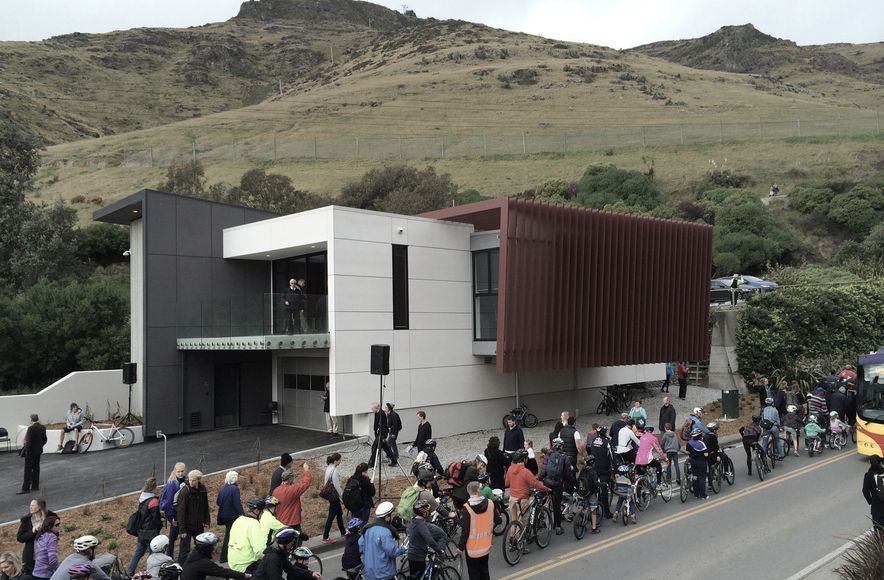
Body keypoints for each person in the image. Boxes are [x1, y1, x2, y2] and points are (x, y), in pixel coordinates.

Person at [504, 449, 549, 536]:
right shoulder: (526, 472)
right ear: (525, 459)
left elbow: (507, 483)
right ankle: (520, 543)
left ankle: (512, 540)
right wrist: (547, 489)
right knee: (522, 521)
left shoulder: (510, 469)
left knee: (514, 520)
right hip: (522, 499)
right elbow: (536, 484)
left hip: (512, 498)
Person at [357, 502, 405, 580]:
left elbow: (360, 546)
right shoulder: (386, 532)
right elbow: (392, 552)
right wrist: (402, 549)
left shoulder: (368, 529)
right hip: (383, 573)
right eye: (392, 514)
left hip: (369, 573)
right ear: (387, 517)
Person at [458, 482, 493, 580]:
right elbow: (498, 520)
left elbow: (465, 531)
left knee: (474, 574)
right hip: (486, 546)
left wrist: (460, 547)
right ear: (478, 490)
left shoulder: (467, 508)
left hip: (472, 550)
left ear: (468, 492)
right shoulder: (490, 503)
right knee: (485, 571)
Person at [127, 478, 163, 575]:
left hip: (142, 531)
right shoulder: (153, 501)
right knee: (153, 555)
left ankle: (129, 572)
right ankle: (151, 573)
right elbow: (156, 519)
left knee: (138, 553)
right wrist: (160, 524)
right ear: (154, 488)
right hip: (151, 532)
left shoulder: (142, 498)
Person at [538, 438, 573, 535]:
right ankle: (558, 527)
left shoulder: (548, 454)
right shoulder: (565, 457)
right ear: (561, 446)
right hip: (557, 484)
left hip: (547, 482)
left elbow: (544, 470)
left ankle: (539, 519)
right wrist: (565, 481)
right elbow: (567, 473)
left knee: (542, 502)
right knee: (557, 506)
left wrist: (538, 479)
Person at [176, 470, 211, 565]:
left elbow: (205, 506)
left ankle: (201, 566)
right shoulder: (185, 491)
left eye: (194, 480)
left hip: (198, 525)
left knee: (202, 547)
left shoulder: (202, 489)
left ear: (198, 480)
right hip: (187, 526)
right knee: (184, 550)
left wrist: (206, 520)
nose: (191, 482)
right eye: (190, 480)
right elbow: (181, 512)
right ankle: (181, 570)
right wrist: (182, 530)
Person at [252, 529, 316, 580]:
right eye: (292, 542)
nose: (292, 546)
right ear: (286, 542)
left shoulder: (279, 553)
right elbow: (275, 578)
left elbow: (291, 569)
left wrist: (311, 574)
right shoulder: (273, 558)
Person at [406, 500, 447, 579]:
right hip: (419, 557)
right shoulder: (421, 525)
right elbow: (430, 541)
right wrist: (439, 551)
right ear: (423, 512)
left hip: (411, 555)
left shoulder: (413, 521)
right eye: (427, 510)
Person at [181, 533, 248, 580]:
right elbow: (222, 572)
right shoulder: (202, 562)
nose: (213, 549)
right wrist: (244, 575)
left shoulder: (193, 556)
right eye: (212, 546)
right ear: (207, 548)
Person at [17, 499, 56, 574]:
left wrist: (46, 528)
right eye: (30, 505)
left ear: (40, 507)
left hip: (46, 555)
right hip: (31, 557)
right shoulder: (26, 520)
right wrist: (32, 532)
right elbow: (20, 538)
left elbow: (56, 533)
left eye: (33, 505)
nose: (30, 507)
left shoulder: (50, 518)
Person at [227, 498, 266, 573]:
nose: (262, 515)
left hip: (233, 563)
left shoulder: (238, 520)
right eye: (262, 512)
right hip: (246, 565)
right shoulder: (254, 523)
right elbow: (259, 550)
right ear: (257, 511)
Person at [272, 465, 312, 536]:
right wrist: (306, 471)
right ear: (290, 478)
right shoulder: (293, 490)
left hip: (281, 522)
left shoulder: (275, 491)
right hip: (293, 522)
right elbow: (305, 484)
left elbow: (274, 505)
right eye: (293, 477)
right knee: (297, 542)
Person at [160, 463, 187, 559]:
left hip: (181, 514)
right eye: (178, 471)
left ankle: (173, 556)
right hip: (175, 516)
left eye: (182, 471)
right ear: (175, 471)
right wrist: (171, 518)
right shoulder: (172, 484)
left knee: (173, 537)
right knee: (174, 538)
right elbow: (168, 503)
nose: (180, 473)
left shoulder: (184, 480)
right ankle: (172, 557)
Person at [216, 471, 244, 564]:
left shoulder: (223, 488)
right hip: (232, 515)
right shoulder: (234, 489)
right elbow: (237, 503)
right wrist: (242, 514)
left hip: (224, 515)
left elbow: (218, 502)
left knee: (229, 534)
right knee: (230, 535)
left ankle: (225, 556)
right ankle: (225, 556)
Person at [588, 427, 614, 520]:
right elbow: (612, 456)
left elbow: (590, 451)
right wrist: (615, 469)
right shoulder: (607, 442)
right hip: (604, 469)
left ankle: (596, 507)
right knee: (604, 490)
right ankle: (606, 512)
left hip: (594, 468)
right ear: (605, 433)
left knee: (595, 488)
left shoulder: (594, 440)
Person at [19, 414, 47, 495]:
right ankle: (35, 486)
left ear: (31, 420)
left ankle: (26, 488)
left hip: (31, 452)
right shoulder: (42, 427)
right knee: (36, 468)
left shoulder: (31, 428)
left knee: (27, 469)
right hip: (38, 451)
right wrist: (40, 446)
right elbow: (45, 439)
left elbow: (28, 441)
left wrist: (27, 450)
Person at [321, 453, 346, 544]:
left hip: (330, 495)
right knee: (331, 516)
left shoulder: (328, 468)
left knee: (339, 514)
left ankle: (343, 532)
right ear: (335, 461)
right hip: (334, 496)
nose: (340, 462)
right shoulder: (334, 470)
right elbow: (337, 486)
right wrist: (342, 496)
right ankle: (325, 536)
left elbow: (325, 482)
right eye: (339, 460)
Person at [31, 515, 60, 580]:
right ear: (49, 527)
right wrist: (59, 571)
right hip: (45, 575)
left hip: (36, 573)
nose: (59, 527)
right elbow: (52, 559)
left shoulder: (41, 536)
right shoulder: (52, 537)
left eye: (59, 524)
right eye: (57, 525)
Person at [367, 403, 394, 469]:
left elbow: (383, 426)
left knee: (375, 448)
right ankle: (394, 460)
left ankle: (371, 463)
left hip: (381, 434)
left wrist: (381, 436)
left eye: (372, 408)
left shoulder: (381, 414)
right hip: (379, 434)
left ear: (376, 408)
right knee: (386, 448)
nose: (372, 410)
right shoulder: (377, 413)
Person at [861, 455, 884, 531]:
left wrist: (871, 501)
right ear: (880, 463)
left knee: (879, 530)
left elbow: (865, 491)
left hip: (877, 508)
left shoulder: (868, 476)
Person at [686, 430, 709, 500]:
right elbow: (706, 454)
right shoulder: (701, 443)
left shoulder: (689, 443)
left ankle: (696, 493)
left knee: (695, 477)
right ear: (699, 436)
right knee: (702, 478)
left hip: (693, 462)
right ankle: (703, 495)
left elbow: (688, 452)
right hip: (701, 462)